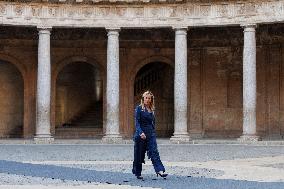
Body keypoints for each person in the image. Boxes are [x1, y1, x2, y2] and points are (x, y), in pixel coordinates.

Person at [132, 90, 168, 180]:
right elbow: (137, 123)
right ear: (143, 99)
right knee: (139, 154)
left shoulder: (152, 109)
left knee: (154, 151)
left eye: (149, 98)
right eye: (146, 98)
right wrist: (140, 132)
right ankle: (138, 172)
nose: (148, 100)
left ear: (151, 100)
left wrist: (153, 132)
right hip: (141, 135)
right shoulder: (139, 109)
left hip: (150, 134)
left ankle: (160, 170)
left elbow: (153, 122)